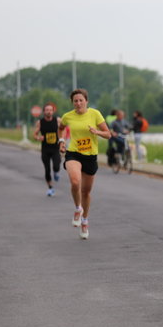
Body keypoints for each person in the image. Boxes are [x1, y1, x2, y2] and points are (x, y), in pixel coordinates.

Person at [58, 89, 111, 239]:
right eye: (75, 101)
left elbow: (108, 134)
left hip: (90, 156)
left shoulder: (95, 114)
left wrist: (97, 132)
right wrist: (61, 141)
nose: (78, 103)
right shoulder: (68, 116)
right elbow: (61, 128)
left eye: (81, 100)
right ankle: (77, 208)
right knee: (75, 181)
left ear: (86, 101)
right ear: (72, 103)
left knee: (86, 192)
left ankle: (85, 220)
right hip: (73, 153)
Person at [33, 102, 61, 196]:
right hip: (45, 149)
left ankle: (56, 172)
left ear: (53, 111)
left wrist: (62, 139)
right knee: (47, 169)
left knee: (56, 166)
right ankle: (50, 188)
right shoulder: (40, 122)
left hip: (55, 148)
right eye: (47, 110)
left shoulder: (57, 121)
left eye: (50, 110)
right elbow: (35, 134)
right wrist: (38, 138)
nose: (49, 112)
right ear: (44, 112)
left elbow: (63, 129)